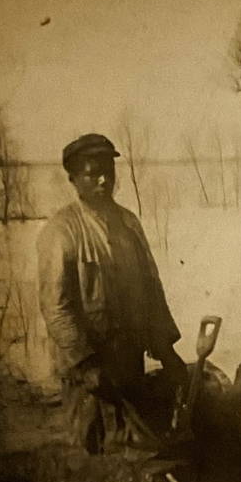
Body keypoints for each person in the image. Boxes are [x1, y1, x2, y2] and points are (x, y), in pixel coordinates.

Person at [37, 132, 185, 455]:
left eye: (109, 171)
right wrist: (86, 364)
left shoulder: (129, 224)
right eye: (93, 173)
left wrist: (165, 348)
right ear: (74, 179)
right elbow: (55, 307)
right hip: (87, 372)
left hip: (127, 360)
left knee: (132, 444)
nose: (104, 180)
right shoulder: (61, 232)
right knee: (92, 446)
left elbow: (151, 290)